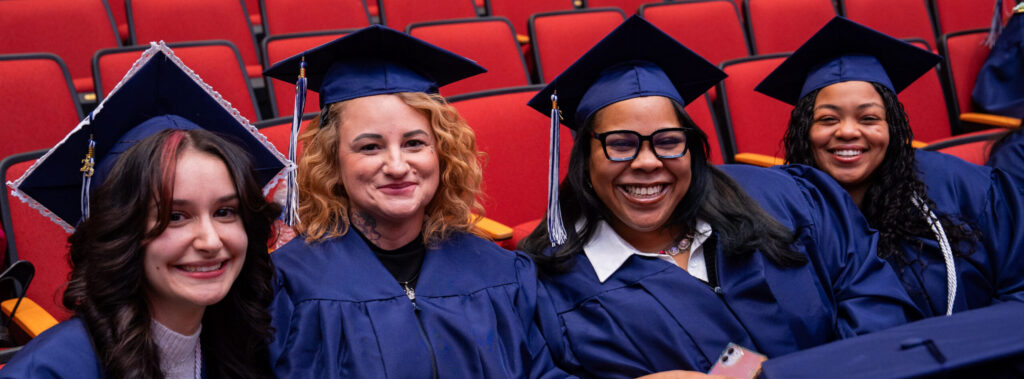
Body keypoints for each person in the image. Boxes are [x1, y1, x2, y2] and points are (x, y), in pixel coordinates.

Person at [518, 16, 917, 378]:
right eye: (620, 144)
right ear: (584, 159)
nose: (647, 162)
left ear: (693, 149)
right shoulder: (555, 288)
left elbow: (872, 295)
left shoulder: (788, 198)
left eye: (668, 141)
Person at [262, 25, 570, 378]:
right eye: (369, 147)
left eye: (414, 143)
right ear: (332, 161)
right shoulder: (288, 285)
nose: (396, 166)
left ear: (442, 153)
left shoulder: (503, 273)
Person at [0, 43, 288, 378]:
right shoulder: (52, 371)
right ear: (122, 234)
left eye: (225, 212)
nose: (211, 241)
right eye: (175, 216)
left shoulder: (244, 344)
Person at [757, 16, 1024, 318]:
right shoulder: (779, 216)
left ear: (892, 128)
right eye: (828, 119)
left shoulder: (966, 189)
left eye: (868, 118)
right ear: (805, 132)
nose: (847, 131)